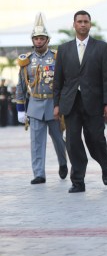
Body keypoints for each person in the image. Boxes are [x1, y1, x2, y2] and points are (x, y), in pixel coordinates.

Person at [53, 10, 107, 193]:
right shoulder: (64, 49)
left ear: (90, 24)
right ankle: (78, 180)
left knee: (95, 139)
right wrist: (56, 104)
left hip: (94, 102)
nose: (82, 24)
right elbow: (58, 80)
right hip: (71, 103)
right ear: (74, 25)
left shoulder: (101, 47)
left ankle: (105, 164)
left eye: (86, 21)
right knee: (72, 142)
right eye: (79, 21)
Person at [15, 13, 68, 184]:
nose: (38, 41)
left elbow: (65, 81)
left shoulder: (57, 57)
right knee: (36, 143)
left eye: (41, 38)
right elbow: (21, 85)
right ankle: (39, 173)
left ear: (47, 39)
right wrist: (21, 109)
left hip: (54, 105)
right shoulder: (26, 61)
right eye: (36, 38)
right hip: (36, 105)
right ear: (32, 40)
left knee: (59, 140)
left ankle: (63, 163)